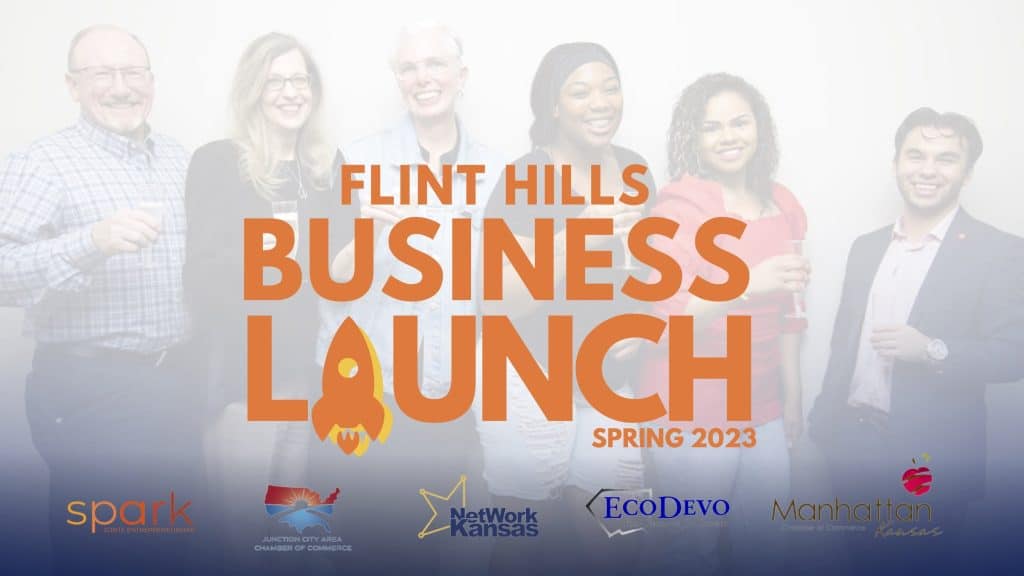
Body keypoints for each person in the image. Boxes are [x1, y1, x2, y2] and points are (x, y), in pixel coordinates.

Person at [0, 25, 198, 575]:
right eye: (102, 74)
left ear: (151, 81)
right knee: (103, 555)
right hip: (91, 393)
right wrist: (90, 243)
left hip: (174, 386)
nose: (120, 87)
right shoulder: (42, 162)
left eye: (132, 72)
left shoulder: (181, 161)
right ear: (73, 85)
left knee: (170, 549)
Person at [314, 21, 503, 576]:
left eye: (435, 65)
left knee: (428, 545)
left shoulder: (496, 171)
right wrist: (370, 230)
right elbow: (329, 279)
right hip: (369, 389)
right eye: (409, 68)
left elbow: (502, 285)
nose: (423, 78)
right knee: (362, 547)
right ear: (397, 79)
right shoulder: (356, 158)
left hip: (447, 392)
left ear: (460, 76)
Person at [808, 108, 1024, 574]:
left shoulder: (1000, 251)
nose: (928, 169)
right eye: (916, 155)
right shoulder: (866, 247)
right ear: (896, 164)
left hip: (929, 456)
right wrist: (825, 422)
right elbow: (843, 342)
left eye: (946, 158)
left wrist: (930, 349)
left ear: (966, 174)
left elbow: (1015, 352)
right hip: (851, 446)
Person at [480, 42, 655, 575]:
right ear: (552, 107)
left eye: (610, 86)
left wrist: (646, 325)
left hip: (609, 379)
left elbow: (648, 271)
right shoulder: (524, 179)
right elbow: (497, 302)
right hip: (531, 378)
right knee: (527, 537)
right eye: (580, 91)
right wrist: (582, 234)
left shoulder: (635, 170)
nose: (600, 102)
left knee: (618, 532)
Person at [182, 32, 352, 572]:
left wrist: (369, 239)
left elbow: (338, 282)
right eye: (274, 80)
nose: (289, 92)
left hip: (309, 380)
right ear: (253, 90)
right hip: (245, 380)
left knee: (294, 540)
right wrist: (282, 258)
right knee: (242, 546)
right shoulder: (218, 163)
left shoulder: (326, 168)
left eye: (299, 78)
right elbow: (202, 281)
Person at [641, 73, 810, 575]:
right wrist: (745, 284)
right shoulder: (677, 209)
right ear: (693, 138)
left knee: (766, 545)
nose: (729, 136)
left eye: (740, 122)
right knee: (692, 551)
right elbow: (666, 319)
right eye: (711, 127)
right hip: (692, 409)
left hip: (763, 406)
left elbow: (790, 314)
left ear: (760, 128)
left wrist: (792, 396)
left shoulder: (785, 205)